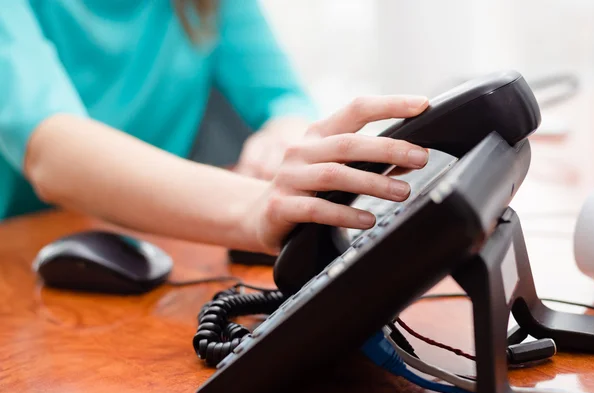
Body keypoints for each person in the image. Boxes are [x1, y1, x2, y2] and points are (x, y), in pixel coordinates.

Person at [0, 0, 431, 255]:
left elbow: (282, 97)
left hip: (153, 237)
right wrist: (253, 206)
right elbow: (48, 147)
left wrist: (282, 138)